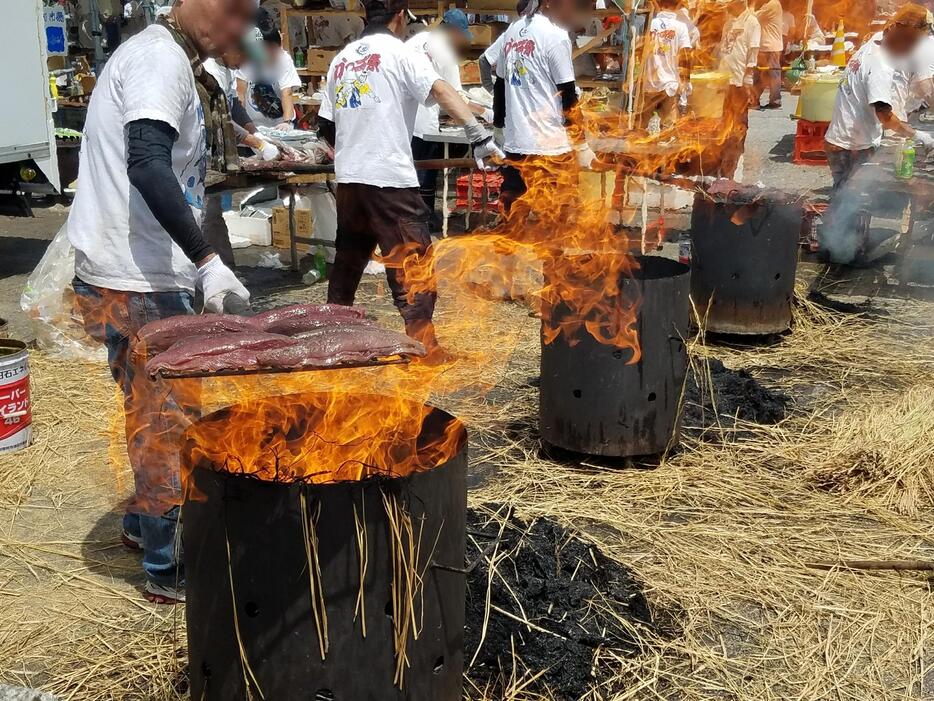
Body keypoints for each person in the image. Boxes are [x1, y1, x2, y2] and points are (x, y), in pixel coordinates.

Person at [66, 0, 254, 604]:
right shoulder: (159, 61)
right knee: (167, 421)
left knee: (155, 408)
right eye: (231, 11)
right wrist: (207, 259)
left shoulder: (162, 55)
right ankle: (165, 566)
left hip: (133, 270)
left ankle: (140, 524)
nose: (237, 28)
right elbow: (147, 164)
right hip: (137, 278)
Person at [316, 0, 503, 361]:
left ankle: (331, 342)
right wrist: (479, 136)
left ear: (362, 15)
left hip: (351, 183)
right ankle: (425, 349)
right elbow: (442, 90)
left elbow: (325, 125)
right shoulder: (399, 53)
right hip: (389, 180)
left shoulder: (341, 60)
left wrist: (355, 150)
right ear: (400, 16)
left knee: (348, 264)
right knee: (415, 266)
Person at [822, 4, 933, 263]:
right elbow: (884, 116)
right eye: (909, 41)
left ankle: (837, 249)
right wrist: (917, 135)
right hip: (852, 144)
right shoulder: (881, 65)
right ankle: (845, 256)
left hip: (842, 138)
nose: (910, 49)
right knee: (851, 201)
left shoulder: (873, 41)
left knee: (843, 197)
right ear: (896, 30)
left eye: (915, 43)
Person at [489, 0, 597, 215]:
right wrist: (581, 144)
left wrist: (499, 127)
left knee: (513, 217)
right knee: (556, 220)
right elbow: (567, 95)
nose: (572, 9)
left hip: (516, 146)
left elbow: (500, 85)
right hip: (552, 149)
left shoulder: (512, 31)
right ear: (548, 3)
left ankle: (511, 248)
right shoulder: (555, 37)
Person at [406, 9, 494, 225]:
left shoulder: (416, 40)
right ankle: (424, 218)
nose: (462, 40)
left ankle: (414, 217)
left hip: (403, 118)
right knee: (426, 170)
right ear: (453, 30)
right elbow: (456, 96)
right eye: (462, 35)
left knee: (411, 171)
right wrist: (485, 112)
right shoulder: (445, 53)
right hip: (424, 122)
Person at [203, 48, 281, 267]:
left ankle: (224, 270)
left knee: (212, 215)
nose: (244, 63)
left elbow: (234, 106)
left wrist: (255, 131)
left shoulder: (227, 67)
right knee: (205, 216)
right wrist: (258, 144)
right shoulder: (209, 70)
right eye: (243, 55)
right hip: (202, 155)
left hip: (214, 157)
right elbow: (221, 120)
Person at [236, 8, 301, 130]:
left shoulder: (284, 60)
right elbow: (240, 92)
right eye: (266, 49)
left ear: (280, 44)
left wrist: (286, 122)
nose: (271, 54)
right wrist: (243, 122)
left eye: (274, 49)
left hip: (279, 123)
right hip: (252, 123)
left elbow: (287, 92)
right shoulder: (248, 59)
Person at [716, 0, 760, 179]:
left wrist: (748, 77)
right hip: (725, 78)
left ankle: (734, 162)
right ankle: (725, 157)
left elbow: (753, 52)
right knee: (725, 120)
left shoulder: (752, 22)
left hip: (740, 80)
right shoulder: (729, 21)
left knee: (739, 122)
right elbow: (723, 48)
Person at [643, 0, 693, 128]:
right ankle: (667, 141)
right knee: (669, 122)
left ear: (658, 4)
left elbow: (639, 50)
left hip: (649, 81)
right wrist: (686, 80)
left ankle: (640, 145)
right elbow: (686, 55)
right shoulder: (681, 27)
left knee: (642, 122)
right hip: (669, 82)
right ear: (677, 6)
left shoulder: (649, 24)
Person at [754, 0, 783, 108]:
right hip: (768, 46)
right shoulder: (770, 4)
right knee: (763, 75)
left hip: (769, 46)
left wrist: (750, 6)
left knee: (771, 75)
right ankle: (755, 99)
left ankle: (774, 101)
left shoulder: (772, 4)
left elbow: (754, 17)